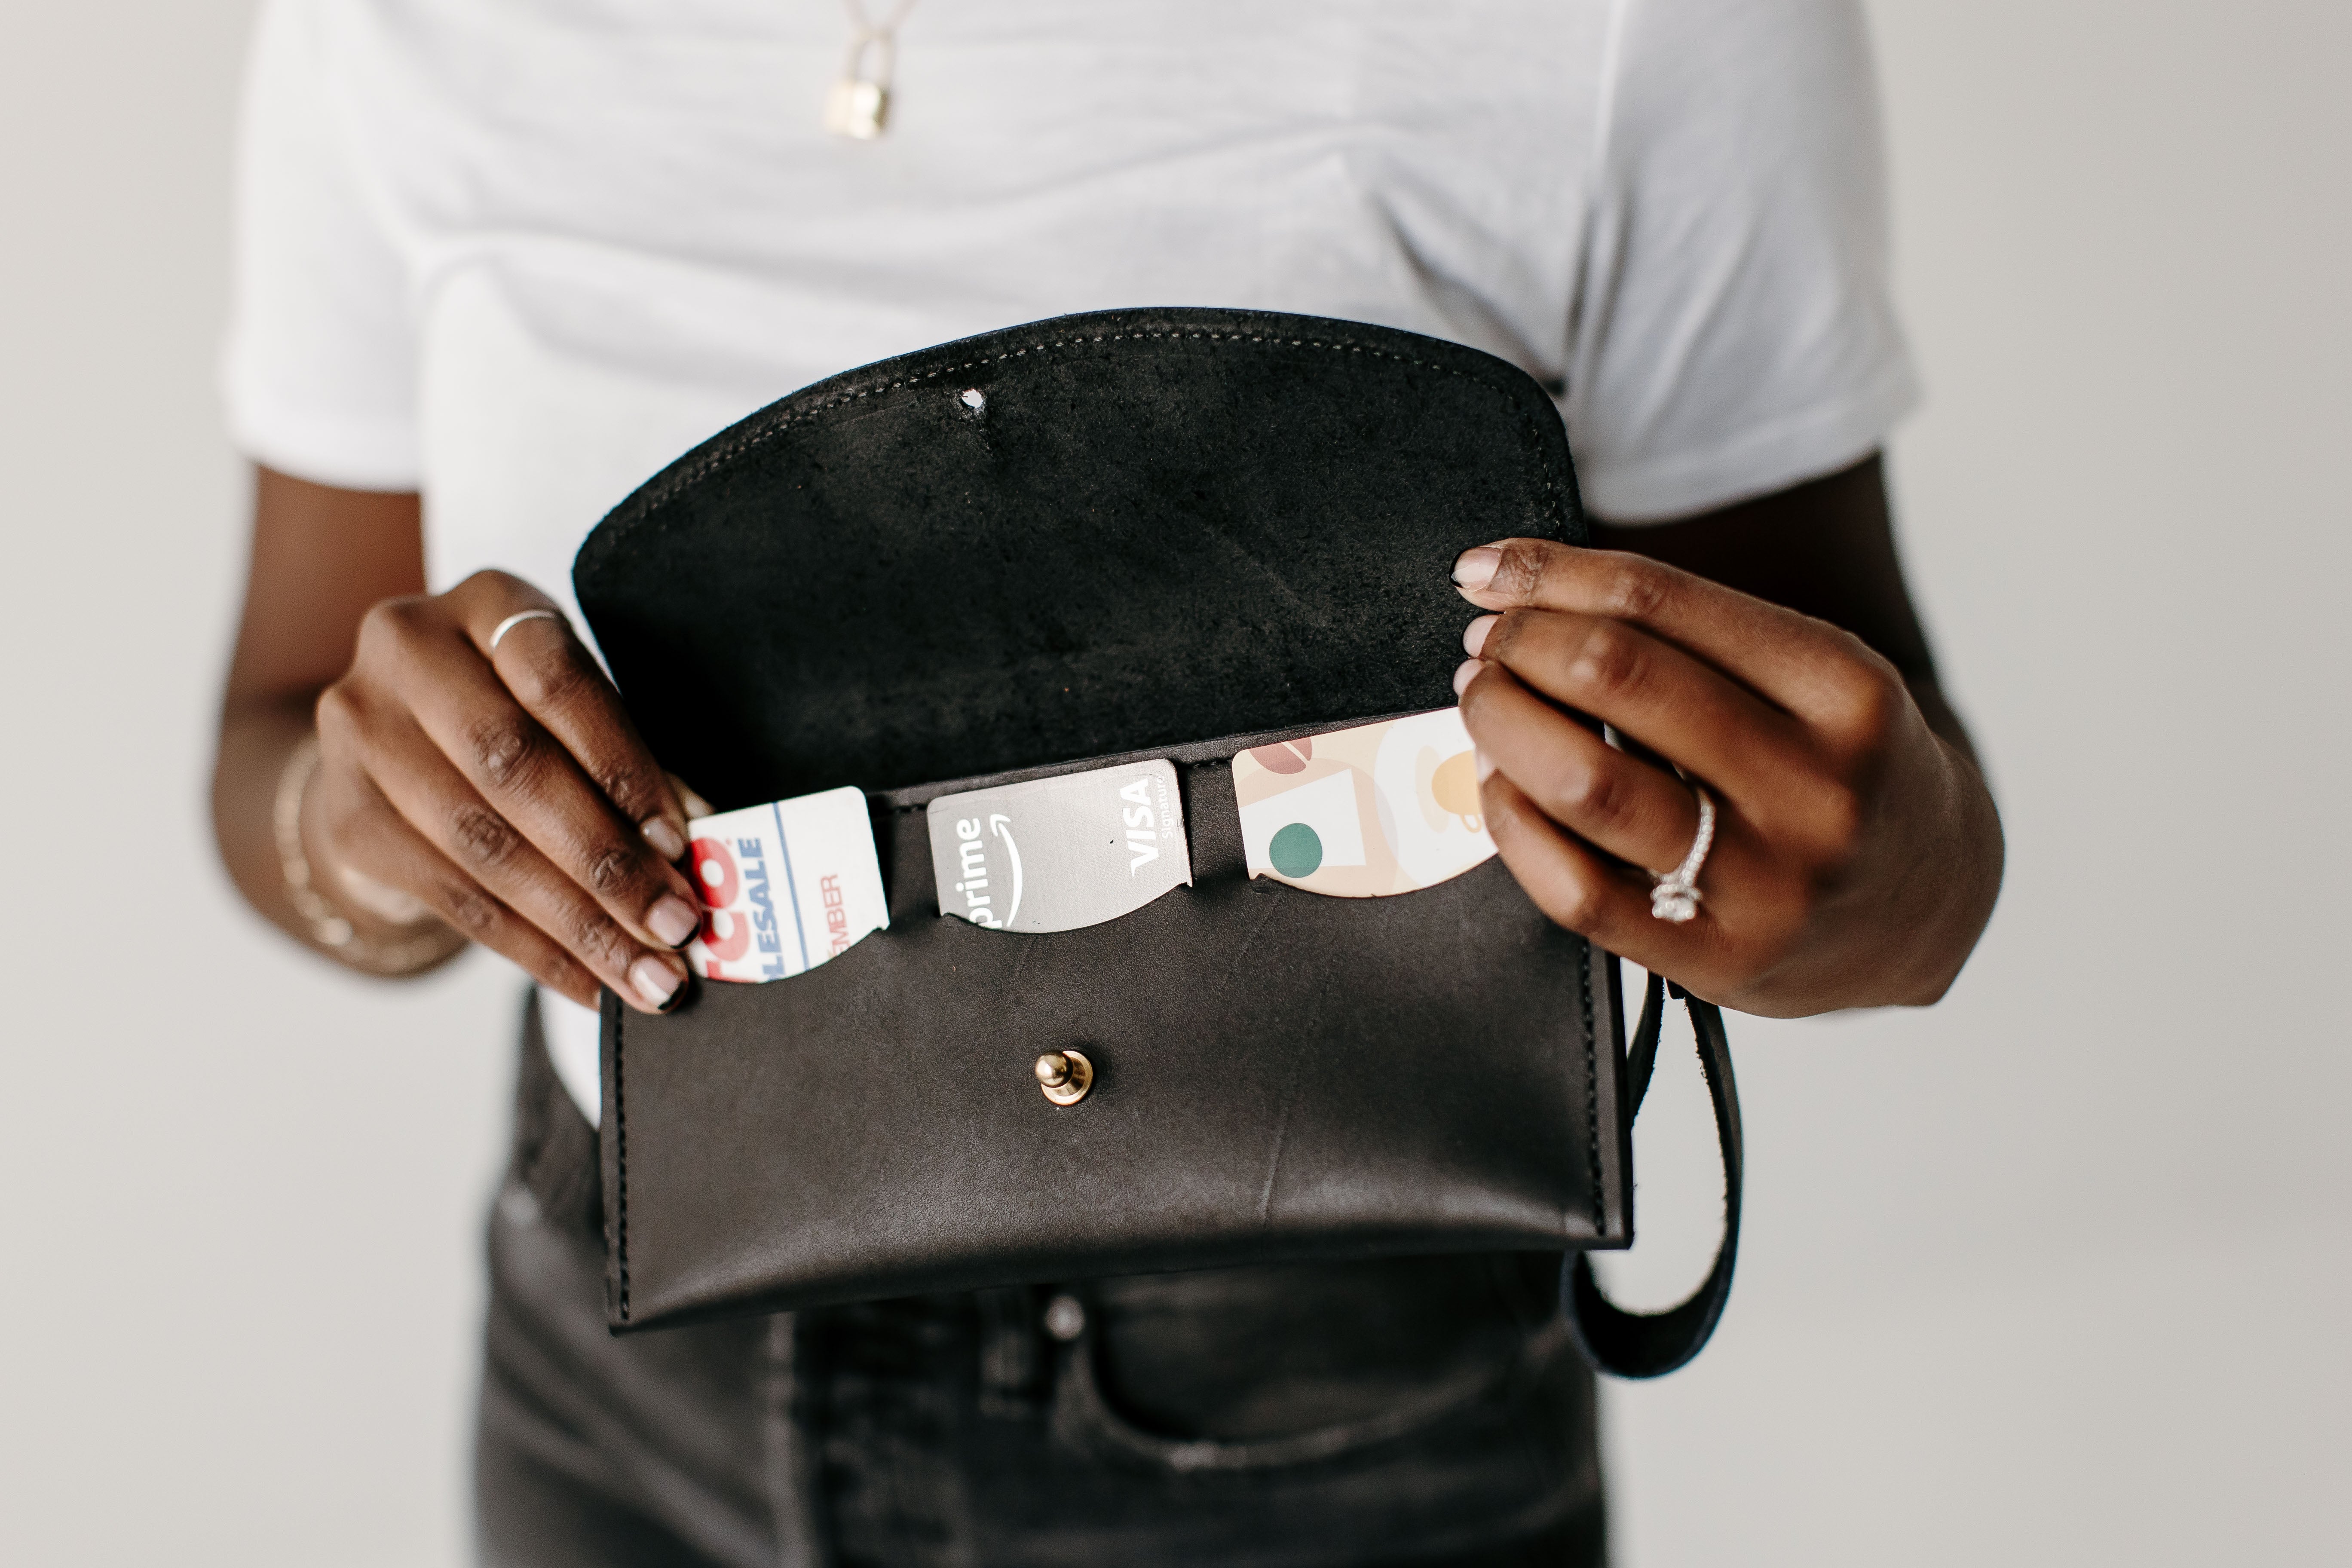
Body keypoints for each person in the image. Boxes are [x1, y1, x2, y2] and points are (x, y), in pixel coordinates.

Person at [209, 0, 2003, 1562]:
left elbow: (1879, 796)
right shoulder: (398, 28)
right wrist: (366, 840)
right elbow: (277, 731)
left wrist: (1866, 891)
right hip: (621, 1355)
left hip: (1316, 1377)